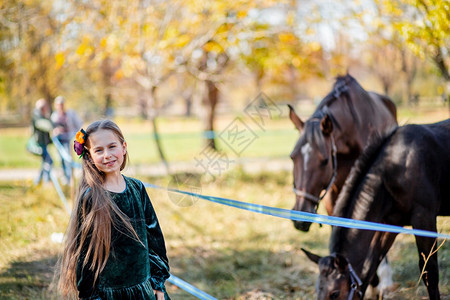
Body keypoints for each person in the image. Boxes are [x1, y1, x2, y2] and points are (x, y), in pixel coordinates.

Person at [56, 120, 170, 300]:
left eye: (112, 146)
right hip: (110, 294)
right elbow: (85, 256)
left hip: (145, 290)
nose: (107, 155)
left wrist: (158, 284)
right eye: (99, 150)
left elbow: (154, 240)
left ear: (124, 147)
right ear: (90, 155)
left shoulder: (137, 188)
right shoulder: (91, 197)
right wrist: (90, 296)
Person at [51, 96, 83, 184]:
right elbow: (52, 128)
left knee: (68, 158)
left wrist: (76, 135)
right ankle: (64, 177)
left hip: (68, 139)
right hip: (59, 140)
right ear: (55, 105)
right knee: (60, 158)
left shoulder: (70, 113)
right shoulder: (54, 116)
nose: (60, 106)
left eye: (62, 104)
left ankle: (69, 179)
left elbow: (79, 124)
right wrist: (55, 131)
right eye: (58, 104)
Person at [32, 98, 54, 185]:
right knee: (49, 161)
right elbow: (45, 125)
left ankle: (37, 182)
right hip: (39, 143)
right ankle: (45, 181)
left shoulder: (42, 115)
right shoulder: (37, 115)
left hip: (43, 142)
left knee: (45, 162)